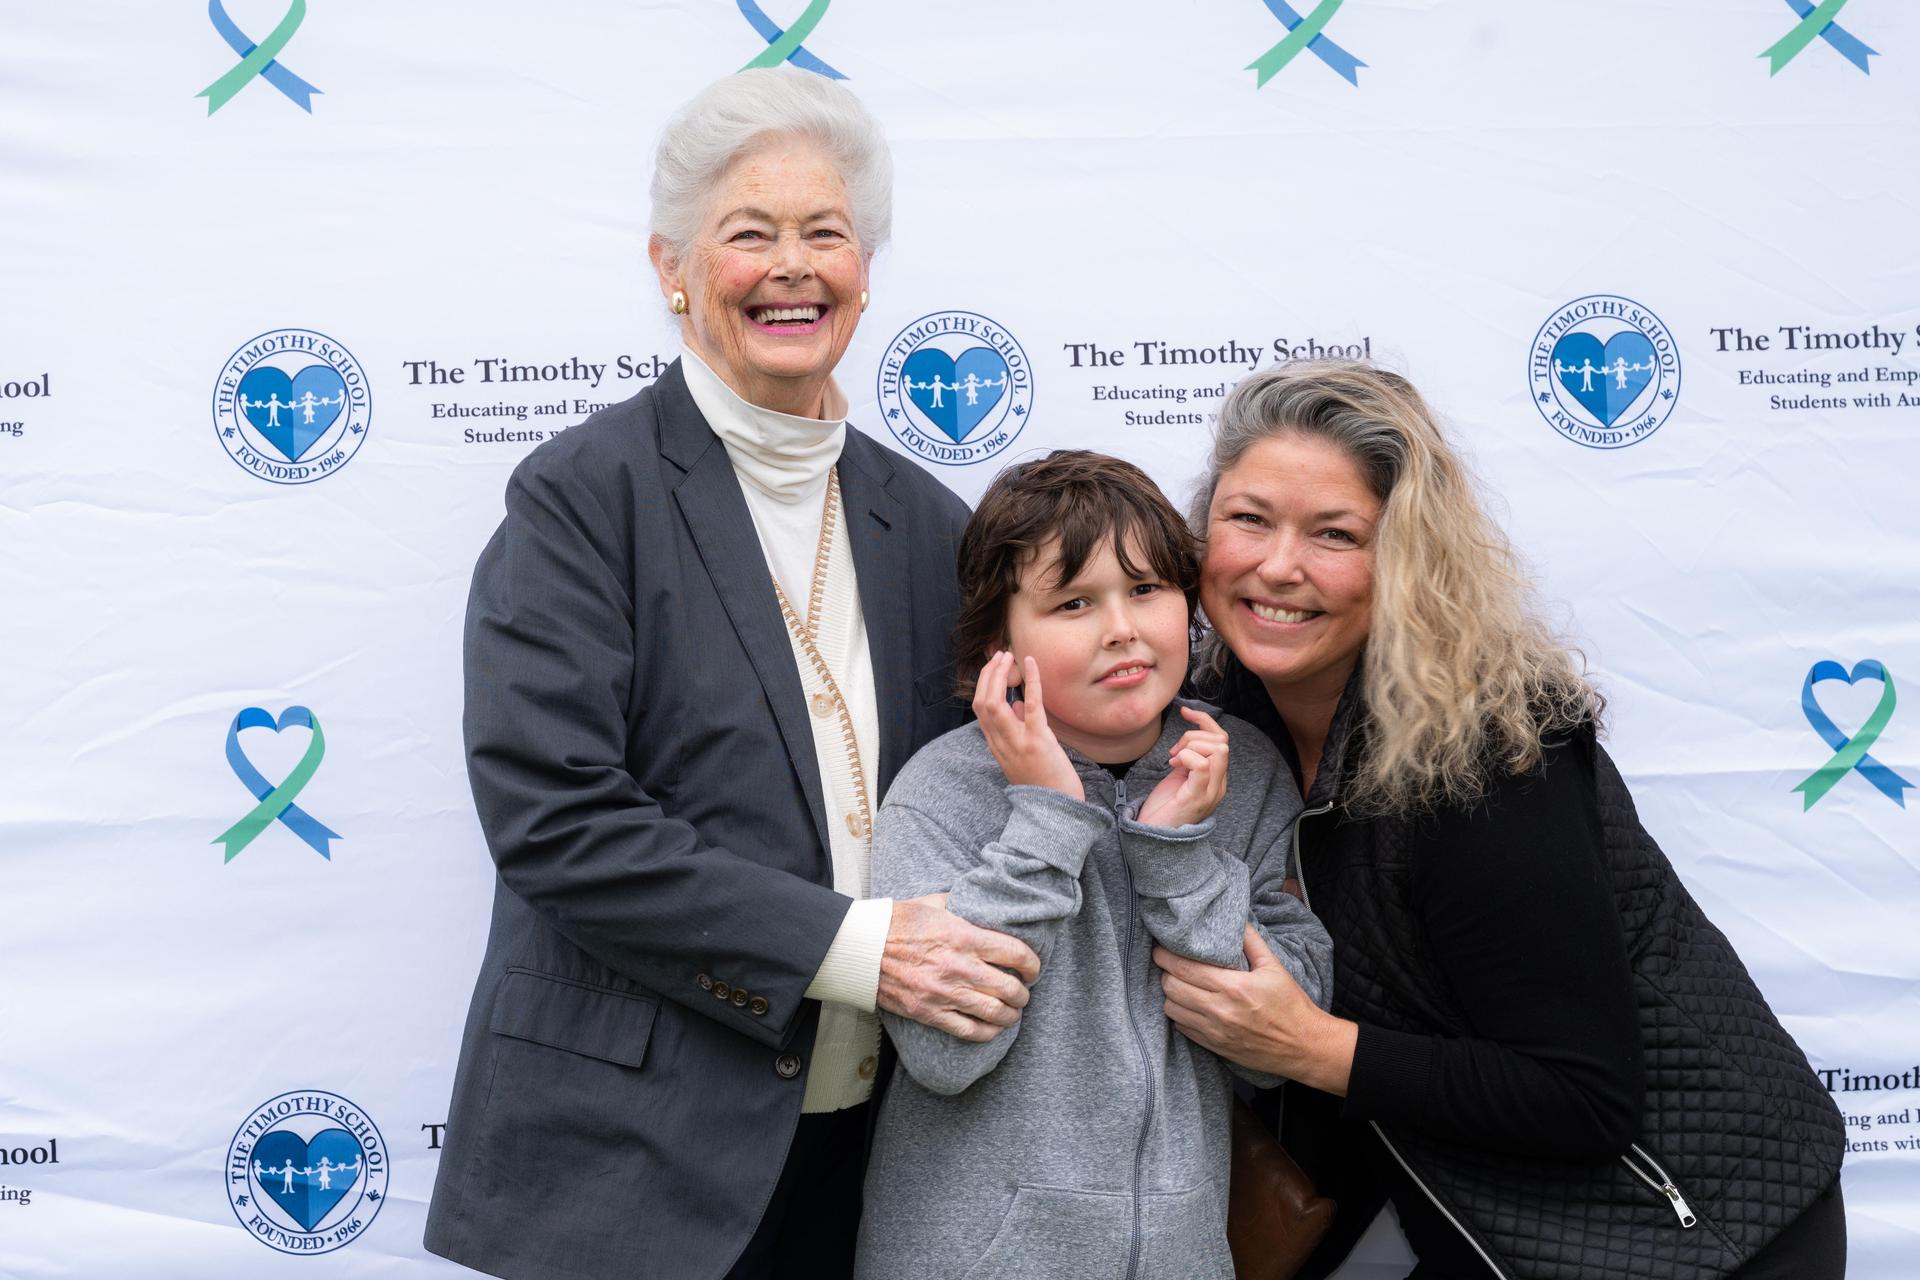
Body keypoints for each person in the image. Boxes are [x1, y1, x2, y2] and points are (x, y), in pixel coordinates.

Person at [424, 68, 1044, 1280]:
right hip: (638, 1161)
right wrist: (860, 950)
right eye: (748, 232)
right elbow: (556, 820)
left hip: (878, 1153)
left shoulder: (928, 521)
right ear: (672, 268)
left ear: (867, 272)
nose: (792, 264)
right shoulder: (581, 496)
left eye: (827, 232)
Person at [1157, 360, 1847, 1279]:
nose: (1278, 566)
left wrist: (1307, 1046)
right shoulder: (1226, 731)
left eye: (1335, 533)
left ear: (1403, 559)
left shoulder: (1487, 756)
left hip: (1705, 1233)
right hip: (1505, 1234)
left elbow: (1583, 1097)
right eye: (1248, 519)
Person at [855, 451, 1334, 1280]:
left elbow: (1274, 1045)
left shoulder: (1242, 771)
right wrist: (1045, 817)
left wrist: (1177, 855)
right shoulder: (942, 788)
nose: (1122, 628)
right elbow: (944, 1053)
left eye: (1146, 590)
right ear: (1000, 643)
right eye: (1074, 602)